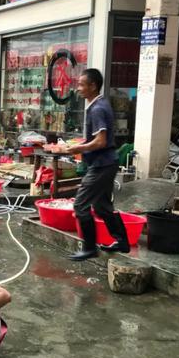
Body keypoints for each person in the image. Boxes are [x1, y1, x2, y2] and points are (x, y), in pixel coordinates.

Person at [65, 68, 129, 261]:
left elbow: (100, 141)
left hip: (103, 164)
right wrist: (79, 145)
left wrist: (78, 149)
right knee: (102, 207)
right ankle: (122, 241)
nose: (78, 89)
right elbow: (95, 139)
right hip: (104, 163)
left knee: (80, 205)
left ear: (93, 86)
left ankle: (89, 247)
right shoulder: (97, 105)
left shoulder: (98, 108)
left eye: (82, 85)